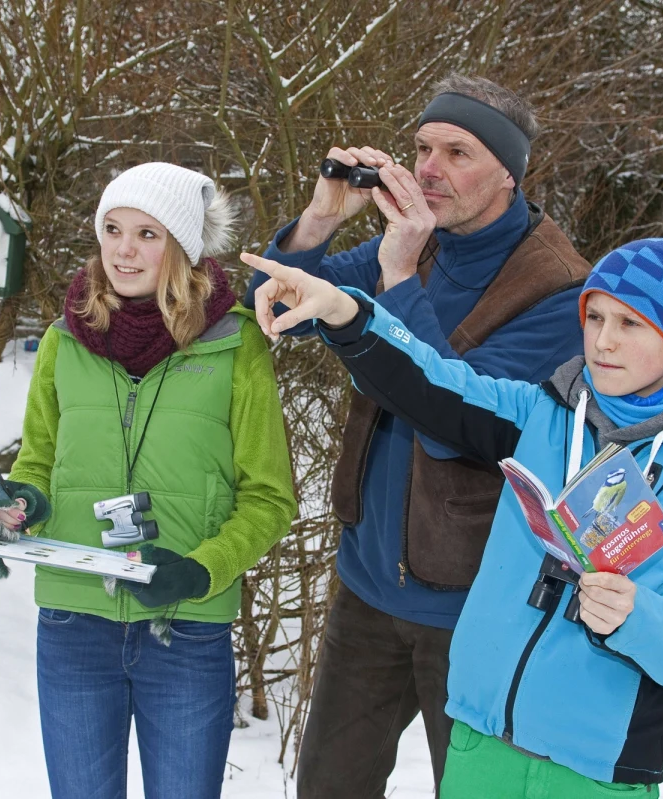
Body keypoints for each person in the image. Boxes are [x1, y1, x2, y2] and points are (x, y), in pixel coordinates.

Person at [243, 237, 663, 798]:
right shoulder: (542, 412)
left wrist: (637, 617)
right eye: (594, 317)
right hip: (480, 745)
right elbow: (432, 382)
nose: (603, 340)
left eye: (630, 323)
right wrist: (346, 312)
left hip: (596, 775)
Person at [244, 73, 591, 795]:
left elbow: (458, 420)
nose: (429, 169)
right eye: (423, 148)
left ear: (509, 172)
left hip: (473, 604)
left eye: (457, 153)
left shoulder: (559, 291)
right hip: (367, 586)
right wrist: (320, 219)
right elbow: (276, 304)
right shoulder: (422, 240)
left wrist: (398, 275)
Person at [0, 162, 297, 799]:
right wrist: (21, 498)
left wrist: (201, 570)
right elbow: (38, 462)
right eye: (113, 229)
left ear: (183, 245)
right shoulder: (65, 341)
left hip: (186, 629)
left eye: (147, 234)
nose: (124, 250)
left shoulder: (235, 344)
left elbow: (269, 498)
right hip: (73, 622)